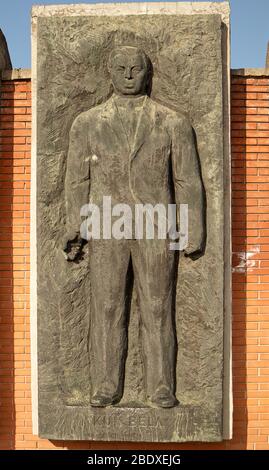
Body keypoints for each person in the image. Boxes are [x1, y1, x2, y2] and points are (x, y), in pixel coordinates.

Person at [64, 45, 205, 408]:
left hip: (157, 228)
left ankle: (161, 387)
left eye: (136, 69)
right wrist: (75, 226)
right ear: (109, 72)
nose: (129, 75)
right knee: (107, 308)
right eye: (122, 68)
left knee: (158, 308)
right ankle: (106, 386)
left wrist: (192, 230)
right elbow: (77, 179)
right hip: (106, 225)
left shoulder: (173, 122)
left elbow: (187, 180)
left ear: (147, 73)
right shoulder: (87, 122)